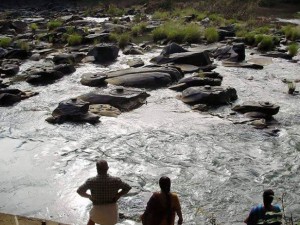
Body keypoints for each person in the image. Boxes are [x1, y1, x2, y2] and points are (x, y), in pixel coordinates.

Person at [77, 160, 131, 225]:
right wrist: (118, 195)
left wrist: (89, 196)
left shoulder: (91, 181)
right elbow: (128, 187)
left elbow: (79, 191)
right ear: (107, 168)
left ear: (97, 169)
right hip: (112, 215)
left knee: (91, 219)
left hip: (97, 210)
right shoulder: (116, 180)